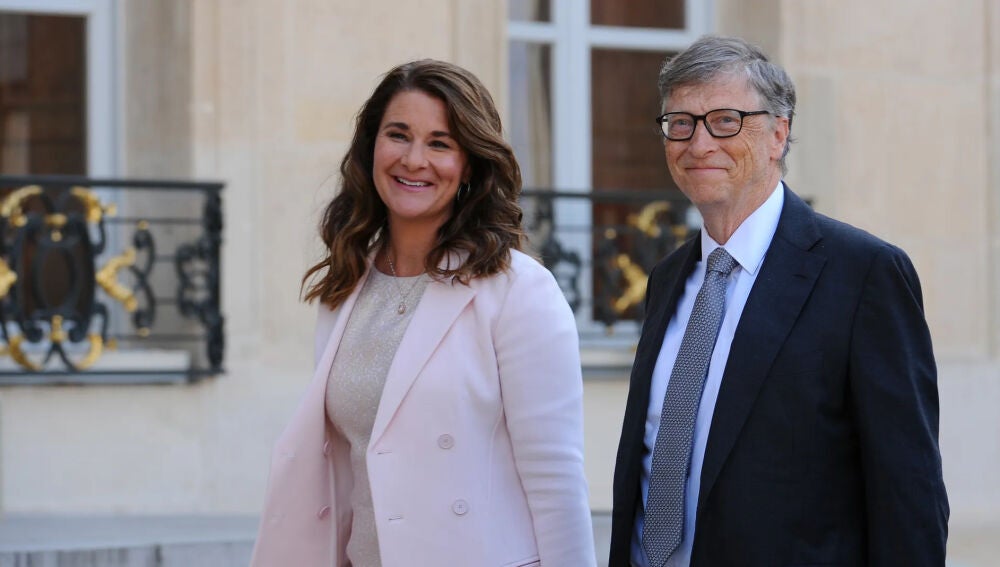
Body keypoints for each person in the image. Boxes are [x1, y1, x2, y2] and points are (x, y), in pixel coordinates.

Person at [610, 35, 948, 566]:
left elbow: (908, 492)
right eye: (681, 123)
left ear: (778, 134)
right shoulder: (667, 279)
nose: (699, 144)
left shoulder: (863, 275)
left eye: (726, 120)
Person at [250, 59, 597, 567]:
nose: (414, 160)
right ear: (372, 147)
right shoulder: (346, 284)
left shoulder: (519, 291)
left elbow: (555, 476)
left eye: (440, 143)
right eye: (399, 135)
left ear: (470, 166)